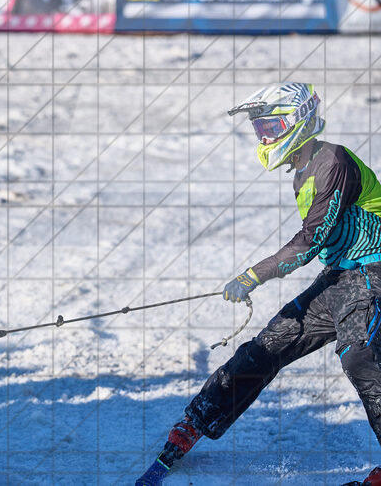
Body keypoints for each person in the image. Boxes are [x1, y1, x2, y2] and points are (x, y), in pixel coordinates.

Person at [136, 82, 381, 486]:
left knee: (359, 357)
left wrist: (253, 275)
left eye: (271, 126)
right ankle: (196, 421)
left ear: (298, 121)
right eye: (260, 130)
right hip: (338, 278)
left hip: (372, 274)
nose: (265, 137)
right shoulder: (302, 170)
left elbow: (311, 239)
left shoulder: (332, 161)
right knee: (266, 347)